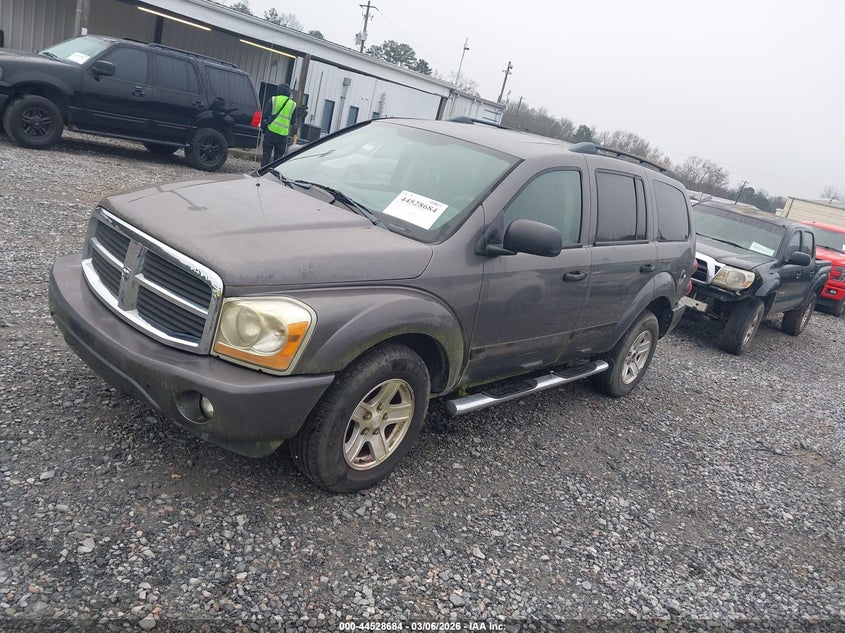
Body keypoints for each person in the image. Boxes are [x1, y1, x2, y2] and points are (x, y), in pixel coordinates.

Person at [261, 82, 297, 164]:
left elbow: (265, 115)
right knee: (278, 157)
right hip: (283, 135)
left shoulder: (274, 99)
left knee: (266, 154)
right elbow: (293, 121)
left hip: (271, 131)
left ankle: (263, 171)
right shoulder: (293, 104)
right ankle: (274, 174)